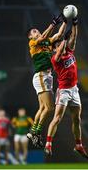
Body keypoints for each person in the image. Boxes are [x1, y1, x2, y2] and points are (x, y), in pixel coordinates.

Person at [44, 16, 88, 159]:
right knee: (57, 118)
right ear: (54, 48)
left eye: (60, 43)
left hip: (74, 90)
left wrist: (75, 23)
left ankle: (78, 145)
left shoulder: (69, 52)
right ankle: (48, 143)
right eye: (57, 44)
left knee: (77, 119)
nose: (60, 45)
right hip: (63, 91)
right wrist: (63, 38)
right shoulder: (55, 59)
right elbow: (59, 51)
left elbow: (74, 37)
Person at [27, 14, 67, 147]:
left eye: (37, 30)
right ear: (30, 37)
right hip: (41, 76)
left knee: (43, 107)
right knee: (49, 108)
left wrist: (66, 21)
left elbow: (59, 34)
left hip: (46, 77)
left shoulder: (47, 42)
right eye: (34, 32)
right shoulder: (33, 44)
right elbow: (44, 37)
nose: (36, 32)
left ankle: (32, 131)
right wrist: (52, 24)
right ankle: (36, 132)